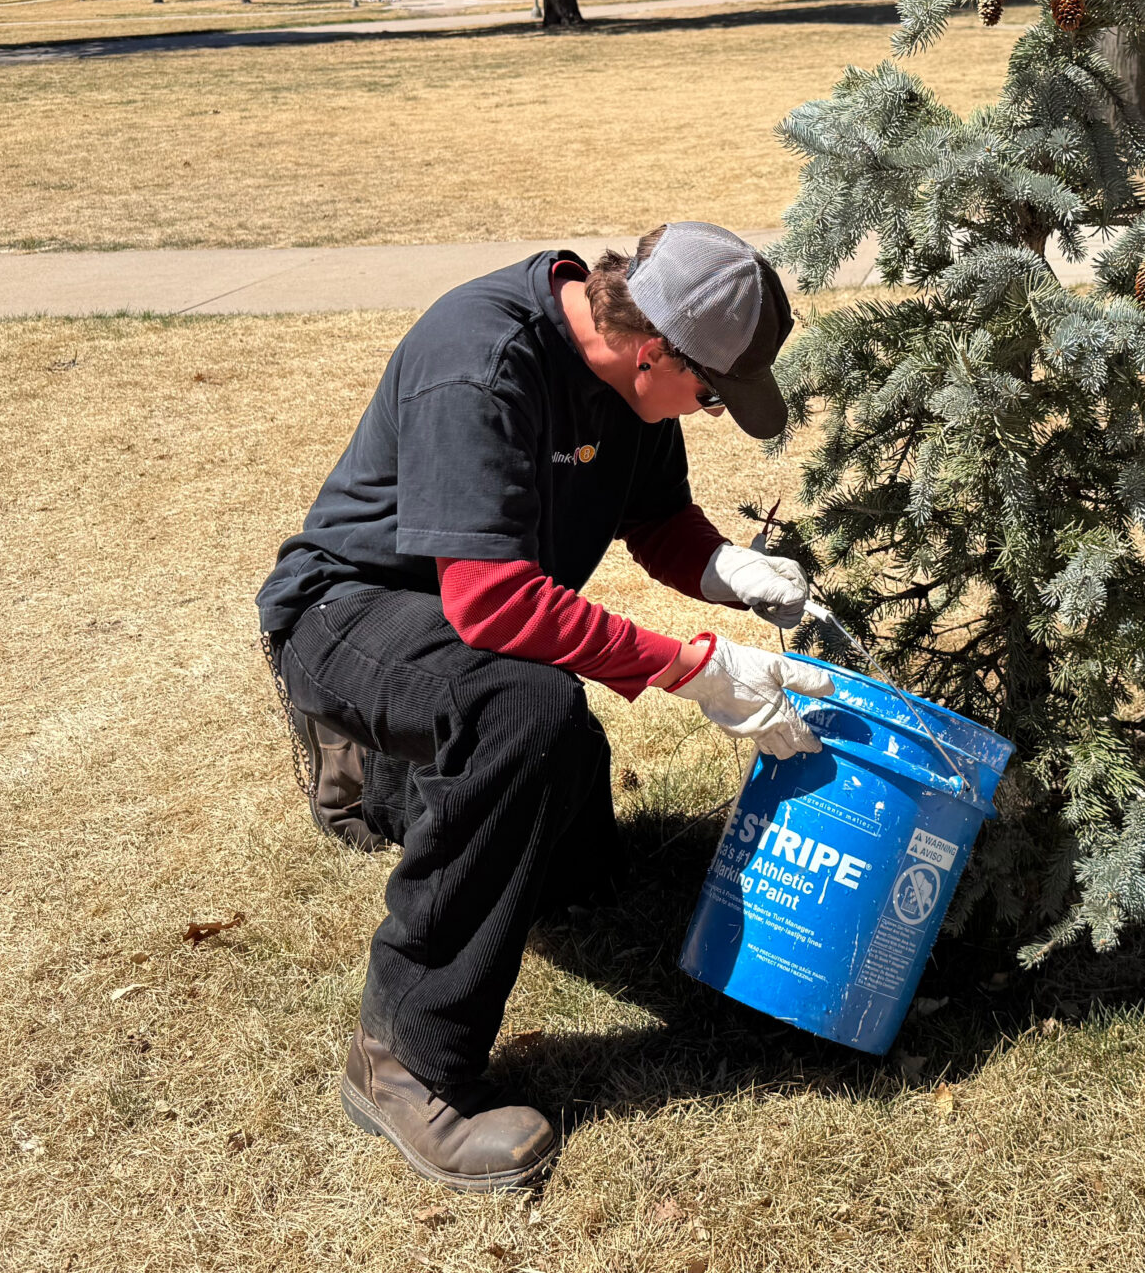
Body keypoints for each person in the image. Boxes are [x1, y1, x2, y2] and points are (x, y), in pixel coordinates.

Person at [257, 223, 832, 1193]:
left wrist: (730, 570)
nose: (707, 413)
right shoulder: (481, 364)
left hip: (456, 616)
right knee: (521, 707)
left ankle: (402, 791)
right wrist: (690, 668)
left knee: (565, 824)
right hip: (345, 613)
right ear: (653, 346)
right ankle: (402, 1061)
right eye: (708, 394)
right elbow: (489, 603)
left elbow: (655, 521)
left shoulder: (634, 386)